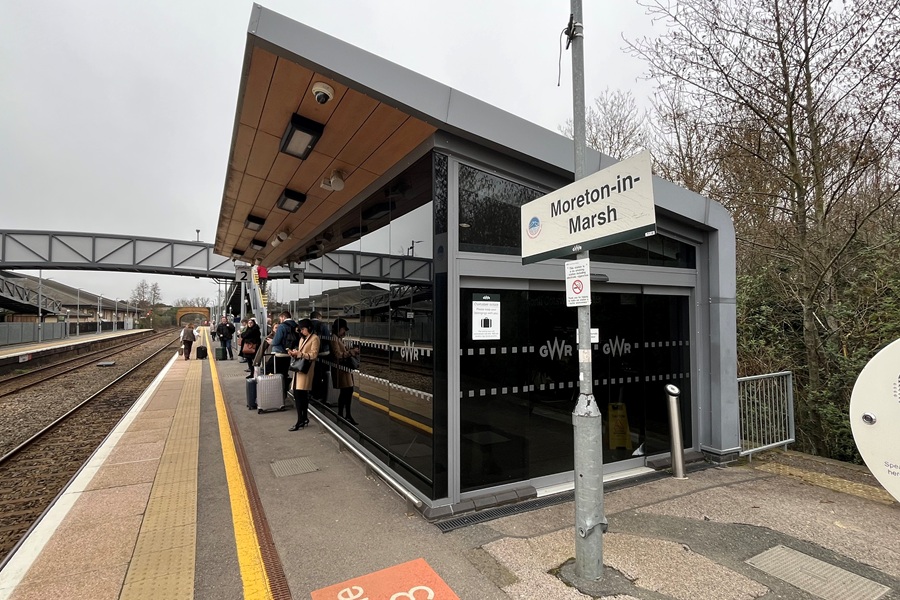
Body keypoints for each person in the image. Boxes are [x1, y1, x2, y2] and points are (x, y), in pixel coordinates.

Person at [288, 319, 319, 431]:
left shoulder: (315, 338)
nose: (302, 331)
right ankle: (303, 418)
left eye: (303, 329)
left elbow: (314, 354)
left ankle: (300, 420)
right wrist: (294, 353)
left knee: (300, 394)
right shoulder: (302, 338)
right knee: (299, 395)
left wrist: (300, 354)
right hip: (299, 369)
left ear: (309, 328)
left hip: (306, 369)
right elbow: (301, 352)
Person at [330, 318, 360, 425]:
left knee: (347, 391)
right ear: (339, 328)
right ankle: (343, 415)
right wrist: (351, 352)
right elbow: (338, 355)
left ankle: (345, 415)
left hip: (344, 370)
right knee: (346, 392)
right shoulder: (334, 339)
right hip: (341, 370)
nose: (344, 332)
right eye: (343, 329)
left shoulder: (337, 338)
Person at [266, 311, 299, 399]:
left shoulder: (282, 326)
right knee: (283, 373)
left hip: (278, 354)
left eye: (280, 318)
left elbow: (276, 341)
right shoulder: (296, 326)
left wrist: (271, 342)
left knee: (269, 370)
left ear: (283, 317)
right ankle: (283, 393)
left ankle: (276, 393)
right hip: (289, 354)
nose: (280, 320)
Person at [309, 310, 332, 405]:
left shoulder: (308, 325)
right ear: (319, 317)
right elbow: (328, 338)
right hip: (324, 353)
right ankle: (323, 395)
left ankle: (314, 393)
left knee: (314, 375)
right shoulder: (323, 325)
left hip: (312, 354)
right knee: (324, 375)